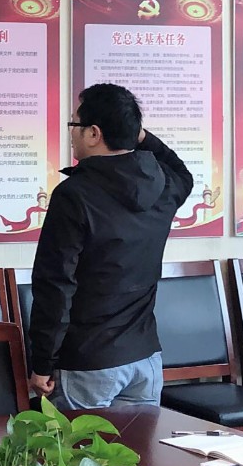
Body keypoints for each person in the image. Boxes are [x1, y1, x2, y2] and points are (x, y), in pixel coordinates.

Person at [24, 83, 193, 410]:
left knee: (76, 445)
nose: (71, 133)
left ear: (93, 134)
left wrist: (42, 361)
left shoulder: (74, 195)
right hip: (145, 360)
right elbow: (181, 172)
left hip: (88, 363)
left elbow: (55, 284)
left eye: (74, 124)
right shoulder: (163, 185)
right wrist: (138, 135)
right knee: (139, 446)